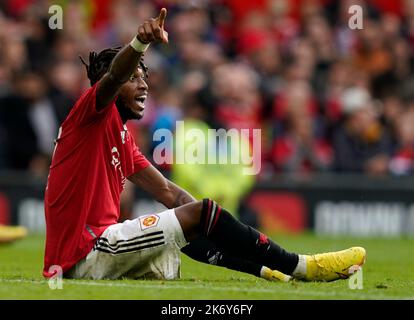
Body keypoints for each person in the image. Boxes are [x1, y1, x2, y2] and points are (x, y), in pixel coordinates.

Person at [43, 8, 366, 282]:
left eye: (144, 78)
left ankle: (269, 270)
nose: (143, 86)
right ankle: (303, 267)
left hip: (98, 250)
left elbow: (173, 196)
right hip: (84, 252)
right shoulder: (89, 116)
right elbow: (112, 78)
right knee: (200, 214)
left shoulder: (122, 138)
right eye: (134, 78)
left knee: (189, 224)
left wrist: (220, 231)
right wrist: (140, 42)